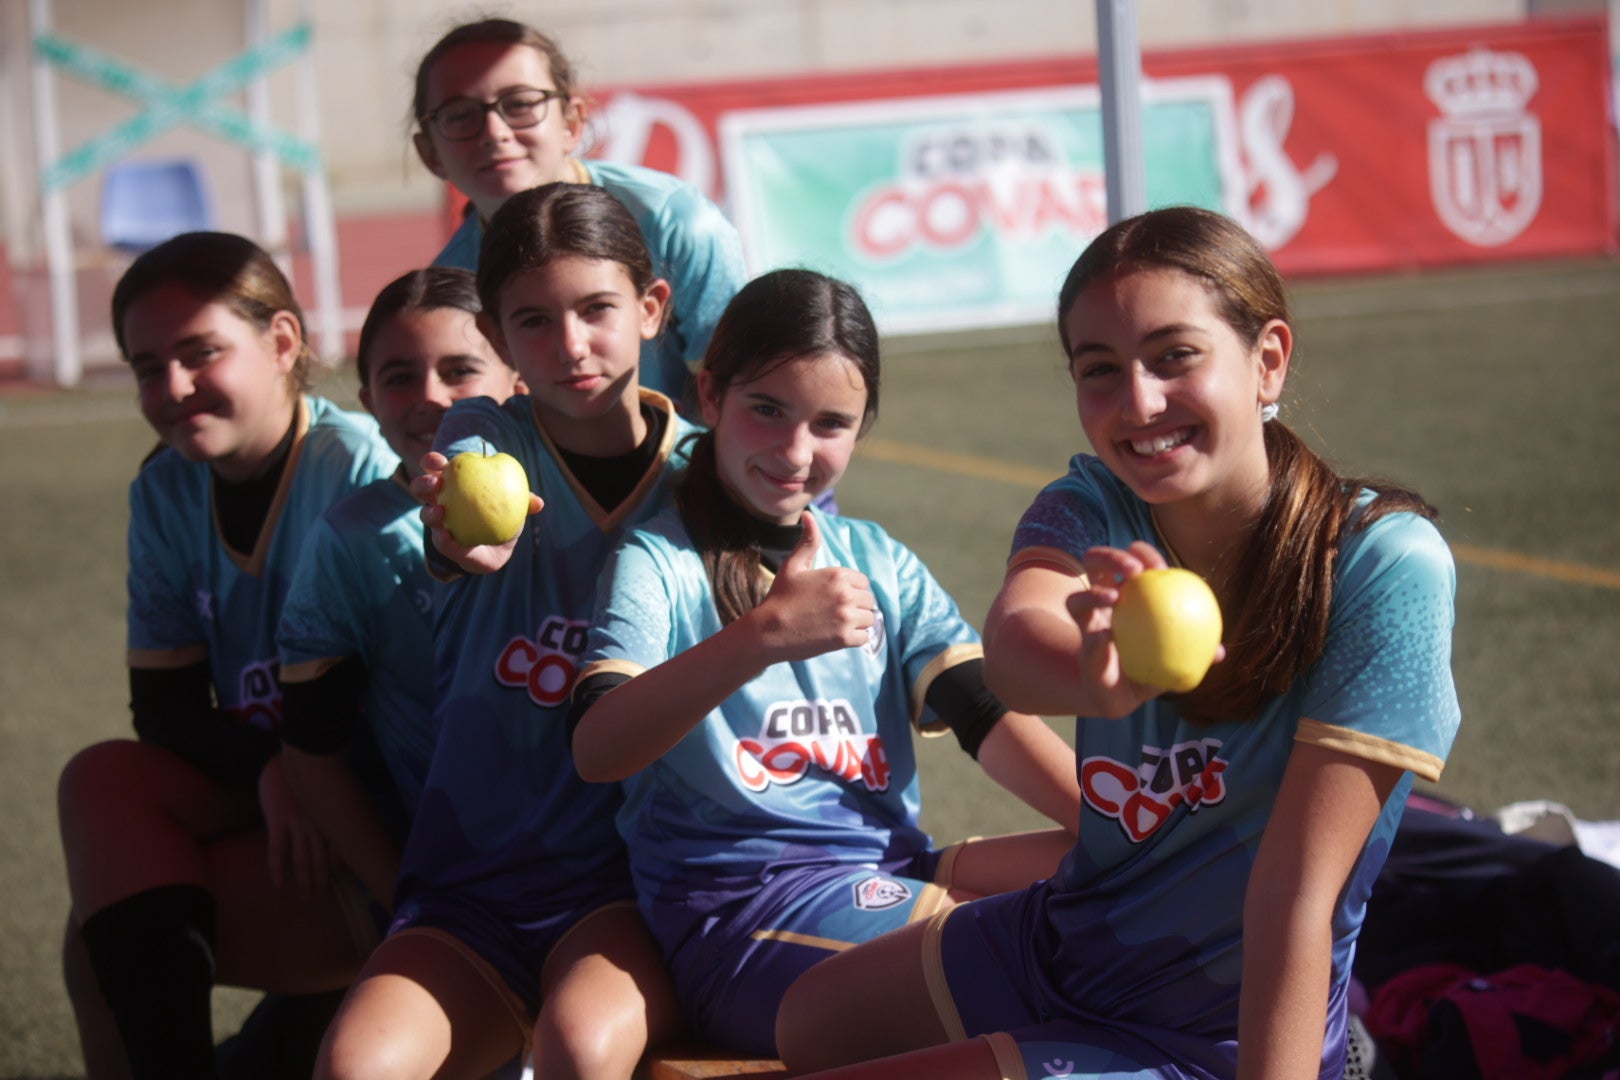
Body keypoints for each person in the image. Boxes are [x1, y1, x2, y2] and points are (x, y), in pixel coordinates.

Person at [770, 205, 1464, 1080]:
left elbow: (1295, 896)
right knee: (808, 1026)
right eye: (1100, 369)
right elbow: (1016, 644)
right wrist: (1096, 679)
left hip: (1211, 1032)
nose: (1139, 403)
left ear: (1268, 359)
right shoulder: (1092, 501)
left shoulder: (1383, 564)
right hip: (1069, 944)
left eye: (1175, 356)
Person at [568, 267, 1083, 1058]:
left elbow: (985, 713)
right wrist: (765, 634)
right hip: (744, 917)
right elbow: (597, 748)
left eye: (831, 423)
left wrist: (1115, 824)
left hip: (892, 871)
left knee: (1142, 880)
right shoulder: (656, 560)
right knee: (1043, 955)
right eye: (767, 409)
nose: (795, 450)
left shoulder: (877, 558)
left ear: (861, 427)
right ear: (711, 395)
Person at [313, 182, 691, 1080]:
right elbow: (467, 466)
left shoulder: (710, 474)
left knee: (580, 1051)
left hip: (640, 887)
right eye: (532, 321)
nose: (570, 344)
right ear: (496, 337)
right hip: (472, 888)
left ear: (651, 307)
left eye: (597, 309)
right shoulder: (486, 438)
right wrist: (459, 532)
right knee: (355, 1069)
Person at [56, 231, 400, 1080]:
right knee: (102, 779)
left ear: (282, 342)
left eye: (199, 353)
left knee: (97, 947)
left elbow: (409, 715)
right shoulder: (165, 486)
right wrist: (276, 767)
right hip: (275, 788)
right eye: (147, 367)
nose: (172, 388)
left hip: (378, 816)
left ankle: (338, 1000)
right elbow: (165, 712)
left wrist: (305, 769)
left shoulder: (360, 469)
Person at [277, 267, 522, 912]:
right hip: (458, 879)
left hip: (606, 868)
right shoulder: (348, 540)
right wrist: (401, 901)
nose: (430, 397)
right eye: (399, 377)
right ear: (368, 398)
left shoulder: (569, 505)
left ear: (517, 380)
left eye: (460, 370)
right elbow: (311, 751)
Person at [412, 16, 746, 410]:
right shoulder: (448, 285)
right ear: (430, 153)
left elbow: (736, 397)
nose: (494, 132)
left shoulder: (676, 225)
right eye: (460, 115)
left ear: (572, 122)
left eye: (520, 104)